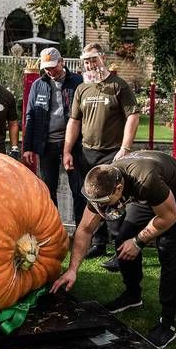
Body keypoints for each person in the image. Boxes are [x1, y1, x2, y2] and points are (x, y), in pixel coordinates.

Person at [50, 151, 176, 349]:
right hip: (151, 195)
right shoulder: (100, 182)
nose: (101, 208)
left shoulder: (145, 180)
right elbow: (85, 229)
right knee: (123, 238)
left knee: (167, 246)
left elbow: (169, 217)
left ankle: (168, 322)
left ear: (119, 188)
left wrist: (139, 241)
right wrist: (72, 269)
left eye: (105, 203)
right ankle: (133, 295)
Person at [63, 43, 141, 265]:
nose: (90, 64)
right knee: (91, 200)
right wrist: (67, 150)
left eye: (93, 59)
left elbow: (132, 117)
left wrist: (124, 148)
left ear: (102, 58)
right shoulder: (82, 89)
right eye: (86, 61)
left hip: (112, 154)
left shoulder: (119, 86)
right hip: (87, 153)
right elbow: (74, 121)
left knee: (114, 202)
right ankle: (98, 243)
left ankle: (120, 250)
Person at [23, 48, 85, 214]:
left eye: (53, 67)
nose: (50, 71)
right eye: (46, 68)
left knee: (78, 189)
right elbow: (30, 115)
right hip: (46, 145)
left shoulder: (78, 82)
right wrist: (27, 146)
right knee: (48, 190)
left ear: (62, 62)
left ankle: (80, 230)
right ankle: (55, 230)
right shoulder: (38, 85)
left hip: (73, 145)